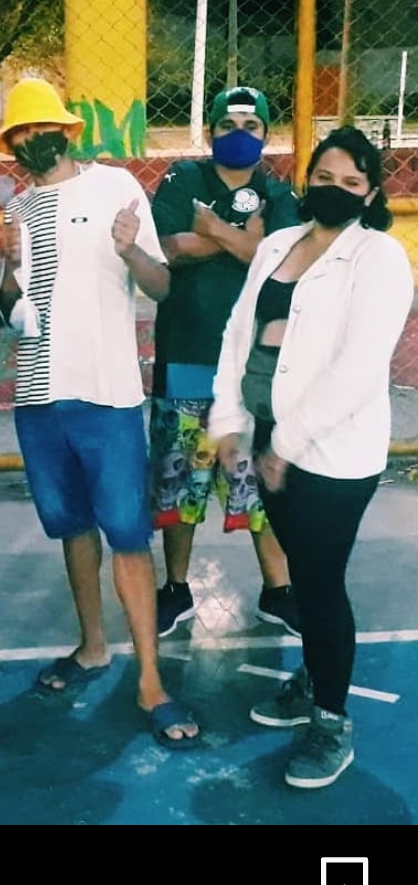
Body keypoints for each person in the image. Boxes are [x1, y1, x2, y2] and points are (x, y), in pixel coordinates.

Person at [0, 77, 199, 746]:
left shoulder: (116, 186)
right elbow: (10, 309)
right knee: (72, 529)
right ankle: (91, 647)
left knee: (129, 538)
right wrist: (5, 267)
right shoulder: (15, 208)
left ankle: (151, 680)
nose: (32, 139)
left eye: (40, 127)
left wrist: (131, 248)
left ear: (66, 129)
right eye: (21, 133)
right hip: (38, 397)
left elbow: (161, 285)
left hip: (108, 396)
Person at [210, 127, 412, 788]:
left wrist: (285, 446)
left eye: (352, 181)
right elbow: (239, 336)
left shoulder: (379, 258)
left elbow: (359, 368)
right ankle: (316, 674)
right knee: (303, 574)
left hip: (332, 455)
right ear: (307, 180)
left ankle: (331, 721)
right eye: (325, 176)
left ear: (372, 193)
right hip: (268, 440)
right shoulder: (277, 245)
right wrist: (231, 423)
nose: (336, 189)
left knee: (320, 584)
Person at [150, 86, 301, 637]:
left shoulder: (278, 193)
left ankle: (278, 590)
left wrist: (211, 230)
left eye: (251, 125)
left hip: (252, 370)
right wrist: (242, 241)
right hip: (186, 357)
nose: (239, 134)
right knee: (179, 480)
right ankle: (176, 588)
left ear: (266, 133)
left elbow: (280, 259)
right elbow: (167, 247)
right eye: (228, 124)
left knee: (260, 481)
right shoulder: (181, 179)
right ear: (210, 129)